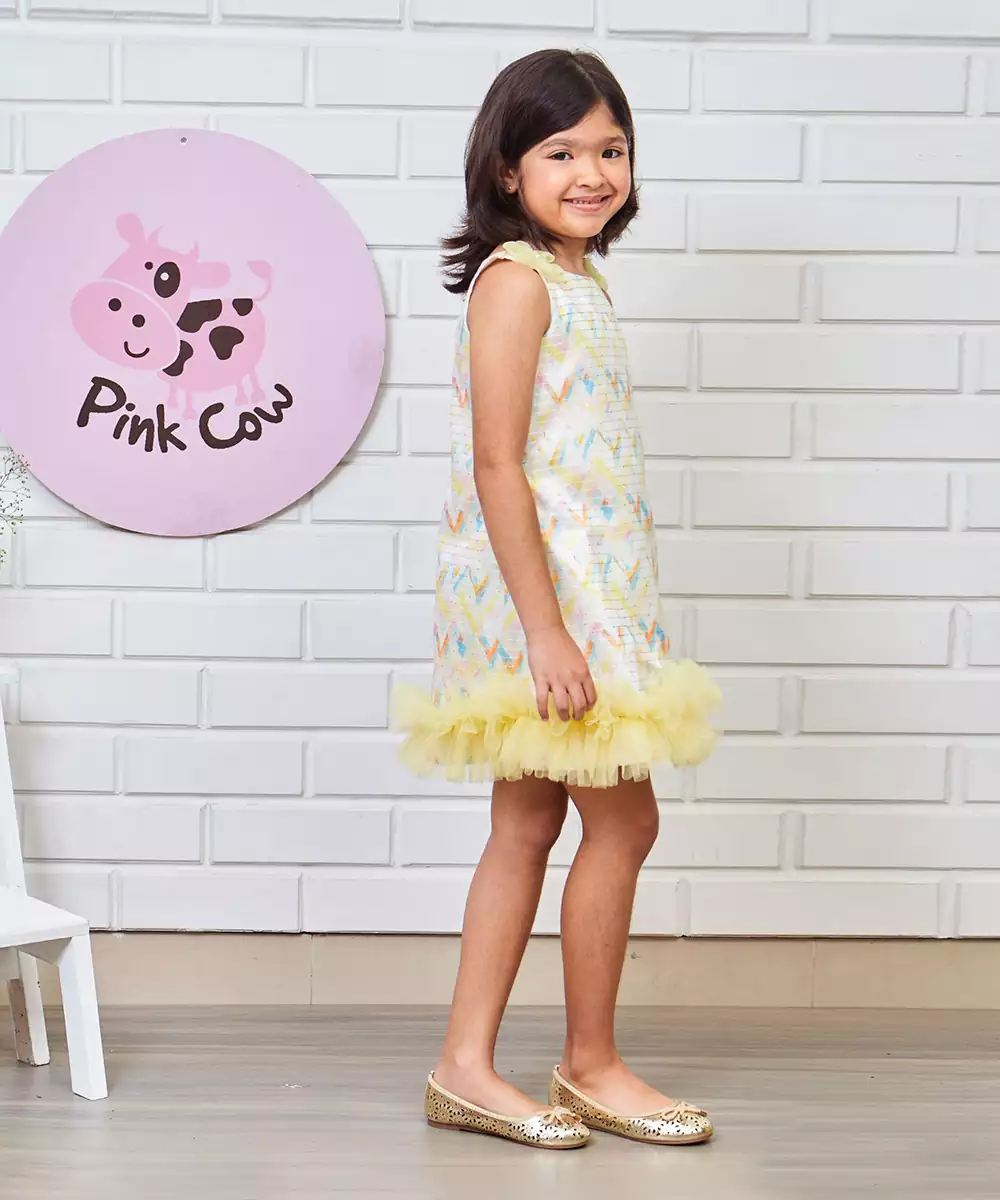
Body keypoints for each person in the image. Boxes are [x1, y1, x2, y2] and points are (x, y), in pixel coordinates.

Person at [394, 48, 722, 1150]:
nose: (593, 173)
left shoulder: (574, 279)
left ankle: (465, 1066)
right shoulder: (518, 283)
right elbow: (497, 463)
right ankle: (588, 1064)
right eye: (561, 152)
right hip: (554, 605)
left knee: (530, 820)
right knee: (624, 818)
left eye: (610, 149)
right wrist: (544, 629)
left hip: (586, 594)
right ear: (506, 169)